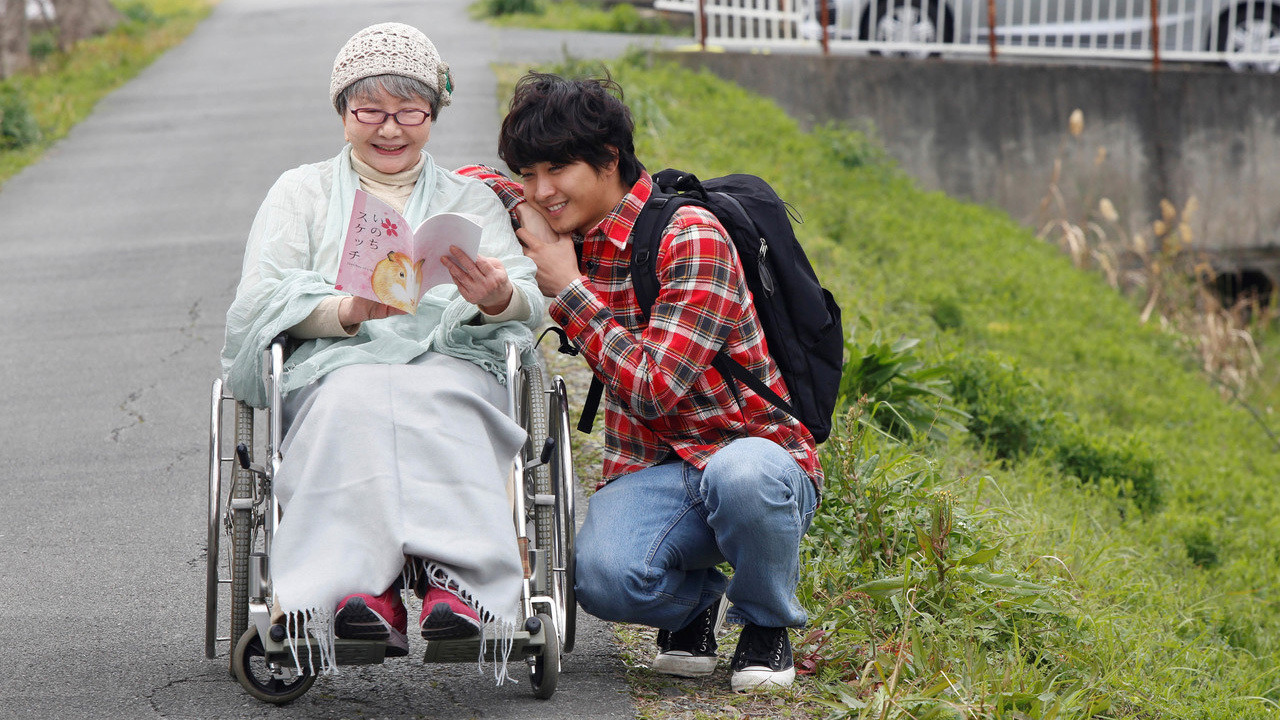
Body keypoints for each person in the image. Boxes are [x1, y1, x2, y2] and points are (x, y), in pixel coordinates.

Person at [460, 72, 823, 692]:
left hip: (757, 458)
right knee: (602, 579)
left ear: (609, 159)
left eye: (557, 169)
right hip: (655, 470)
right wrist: (513, 202)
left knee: (741, 478)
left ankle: (766, 623)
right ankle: (695, 603)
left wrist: (569, 289)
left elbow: (656, 389)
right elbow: (470, 179)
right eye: (529, 173)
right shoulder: (563, 223)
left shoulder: (690, 237)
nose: (543, 190)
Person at [220, 23, 546, 673]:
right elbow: (257, 301)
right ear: (343, 112)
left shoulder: (470, 199)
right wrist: (346, 310)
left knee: (445, 397)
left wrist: (496, 297)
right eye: (370, 111)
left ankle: (458, 587)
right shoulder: (300, 193)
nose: (390, 129)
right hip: (337, 364)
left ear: (433, 114)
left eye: (409, 112)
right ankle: (355, 590)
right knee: (355, 401)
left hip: (451, 358)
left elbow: (529, 300)